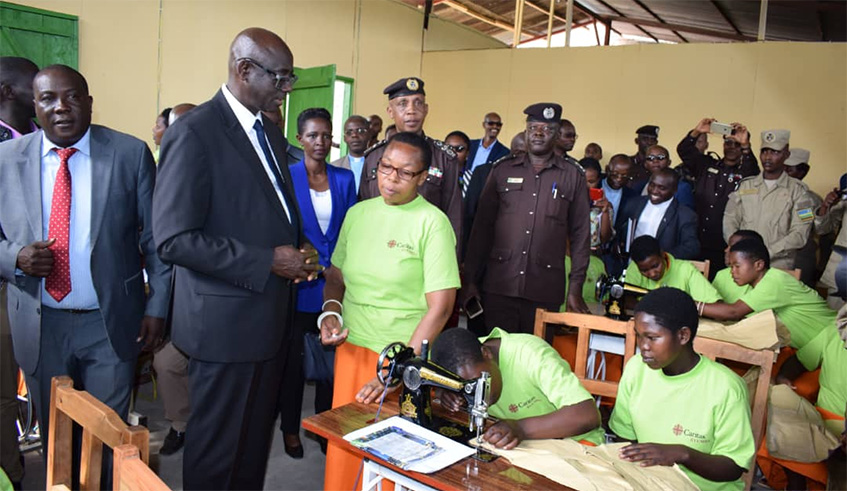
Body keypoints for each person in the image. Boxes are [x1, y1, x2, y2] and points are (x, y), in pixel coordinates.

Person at [152, 28, 322, 490]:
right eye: (280, 79)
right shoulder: (195, 132)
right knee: (216, 453)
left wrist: (298, 249)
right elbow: (173, 238)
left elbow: (265, 212)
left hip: (267, 321)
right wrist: (267, 260)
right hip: (223, 329)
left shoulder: (265, 128)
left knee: (250, 449)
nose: (286, 90)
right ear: (244, 70)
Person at [0, 65, 171, 485]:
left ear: (89, 102)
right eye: (48, 99)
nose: (61, 107)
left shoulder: (129, 154)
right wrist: (14, 257)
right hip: (40, 323)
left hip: (109, 322)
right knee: (57, 435)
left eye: (73, 97)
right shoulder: (6, 159)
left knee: (109, 433)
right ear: (34, 106)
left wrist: (158, 306)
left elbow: (155, 240)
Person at [318, 131, 460, 491]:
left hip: (399, 357)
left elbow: (440, 307)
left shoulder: (433, 223)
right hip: (352, 351)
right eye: (385, 168)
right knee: (346, 450)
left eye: (404, 172)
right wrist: (330, 312)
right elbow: (336, 276)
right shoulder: (358, 214)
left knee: (387, 462)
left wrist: (399, 368)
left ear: (423, 177)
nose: (391, 179)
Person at [463, 102, 592, 335]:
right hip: (500, 284)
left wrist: (575, 288)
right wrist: (471, 279)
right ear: (526, 131)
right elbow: (481, 229)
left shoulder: (572, 175)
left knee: (536, 361)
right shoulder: (502, 170)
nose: (539, 133)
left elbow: (581, 235)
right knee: (498, 356)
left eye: (547, 129)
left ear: (556, 136)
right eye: (533, 128)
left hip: (544, 288)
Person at [610, 288, 755, 491]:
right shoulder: (636, 369)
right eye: (639, 336)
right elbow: (624, 438)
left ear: (683, 335)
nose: (643, 346)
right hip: (650, 484)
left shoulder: (726, 387)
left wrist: (682, 454)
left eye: (652, 337)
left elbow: (733, 467)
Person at [280, 107, 357, 458]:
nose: (320, 142)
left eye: (326, 135)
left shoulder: (343, 179)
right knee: (294, 365)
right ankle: (290, 430)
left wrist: (333, 267)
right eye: (312, 135)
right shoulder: (288, 175)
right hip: (299, 283)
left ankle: (324, 426)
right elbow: (282, 227)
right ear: (300, 138)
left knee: (330, 366)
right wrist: (308, 261)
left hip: (333, 285)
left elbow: (350, 228)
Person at [431, 327, 604, 449]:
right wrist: (446, 392)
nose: (478, 395)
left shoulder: (531, 355)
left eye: (480, 383)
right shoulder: (464, 361)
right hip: (526, 449)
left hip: (577, 446)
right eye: (468, 389)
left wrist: (521, 428)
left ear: (487, 353)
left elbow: (587, 415)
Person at [358, 77, 462, 253]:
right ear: (390, 111)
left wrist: (451, 262)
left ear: (426, 109)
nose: (411, 111)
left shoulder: (445, 159)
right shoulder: (374, 157)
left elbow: (454, 218)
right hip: (379, 250)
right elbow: (364, 210)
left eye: (418, 103)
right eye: (403, 104)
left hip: (426, 253)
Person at [0, 55, 38, 490]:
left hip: (47, 289)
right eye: (34, 85)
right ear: (8, 91)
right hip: (7, 281)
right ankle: (11, 470)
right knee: (4, 393)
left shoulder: (45, 138)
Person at [150, 101, 196, 457]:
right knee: (166, 363)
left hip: (217, 307)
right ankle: (180, 423)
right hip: (172, 301)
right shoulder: (153, 172)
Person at [759, 317, 846, 490]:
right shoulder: (833, 332)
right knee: (776, 428)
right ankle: (796, 485)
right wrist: (784, 378)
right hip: (820, 419)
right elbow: (800, 360)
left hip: (838, 432)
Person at [701, 239, 832, 349]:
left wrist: (691, 305)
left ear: (758, 265)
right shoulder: (758, 287)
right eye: (731, 267)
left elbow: (734, 312)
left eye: (737, 266)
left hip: (832, 341)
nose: (732, 272)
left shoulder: (774, 280)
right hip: (812, 347)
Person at [723, 129, 815, 270]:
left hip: (778, 265)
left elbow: (800, 234)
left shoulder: (800, 192)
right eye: (764, 151)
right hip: (743, 263)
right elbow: (729, 220)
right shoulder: (745, 185)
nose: (767, 157)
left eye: (775, 152)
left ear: (786, 155)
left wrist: (766, 253)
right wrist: (737, 248)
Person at [677, 118, 759, 276]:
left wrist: (746, 145)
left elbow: (754, 171)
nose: (732, 148)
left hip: (725, 244)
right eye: (728, 143)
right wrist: (697, 131)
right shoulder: (706, 165)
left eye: (736, 145)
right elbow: (684, 151)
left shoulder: (745, 173)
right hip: (697, 239)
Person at [616, 168, 700, 260]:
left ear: (674, 190)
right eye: (652, 185)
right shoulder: (633, 203)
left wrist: (661, 257)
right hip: (631, 264)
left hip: (662, 269)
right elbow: (619, 231)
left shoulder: (685, 215)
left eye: (662, 188)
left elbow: (691, 248)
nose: (654, 191)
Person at [624, 236, 721, 303]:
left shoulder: (686, 270)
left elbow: (717, 304)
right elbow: (623, 296)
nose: (652, 274)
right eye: (644, 271)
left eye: (655, 266)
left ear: (662, 254)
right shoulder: (634, 268)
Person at [784, 148, 824, 287]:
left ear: (803, 172)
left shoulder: (808, 200)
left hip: (798, 259)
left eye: (789, 170)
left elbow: (804, 228)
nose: (784, 174)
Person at [630, 145, 695, 210]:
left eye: (660, 157)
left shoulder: (682, 188)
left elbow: (685, 216)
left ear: (669, 162)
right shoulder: (639, 186)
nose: (655, 161)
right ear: (645, 164)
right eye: (650, 158)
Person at [816, 176, 847, 309]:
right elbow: (822, 229)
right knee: (833, 324)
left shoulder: (807, 196)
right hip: (842, 274)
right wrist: (825, 206)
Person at [711, 230, 764, 304]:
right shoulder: (722, 275)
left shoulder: (768, 281)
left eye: (733, 247)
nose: (726, 250)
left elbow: (735, 312)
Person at [464, 112, 509, 196]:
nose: (495, 127)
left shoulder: (504, 152)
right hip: (464, 187)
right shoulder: (470, 145)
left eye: (498, 124)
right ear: (484, 125)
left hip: (484, 191)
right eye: (491, 123)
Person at [331, 114, 369, 190]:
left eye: (360, 131)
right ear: (344, 138)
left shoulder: (379, 164)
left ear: (369, 134)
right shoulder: (334, 167)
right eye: (349, 132)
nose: (354, 135)